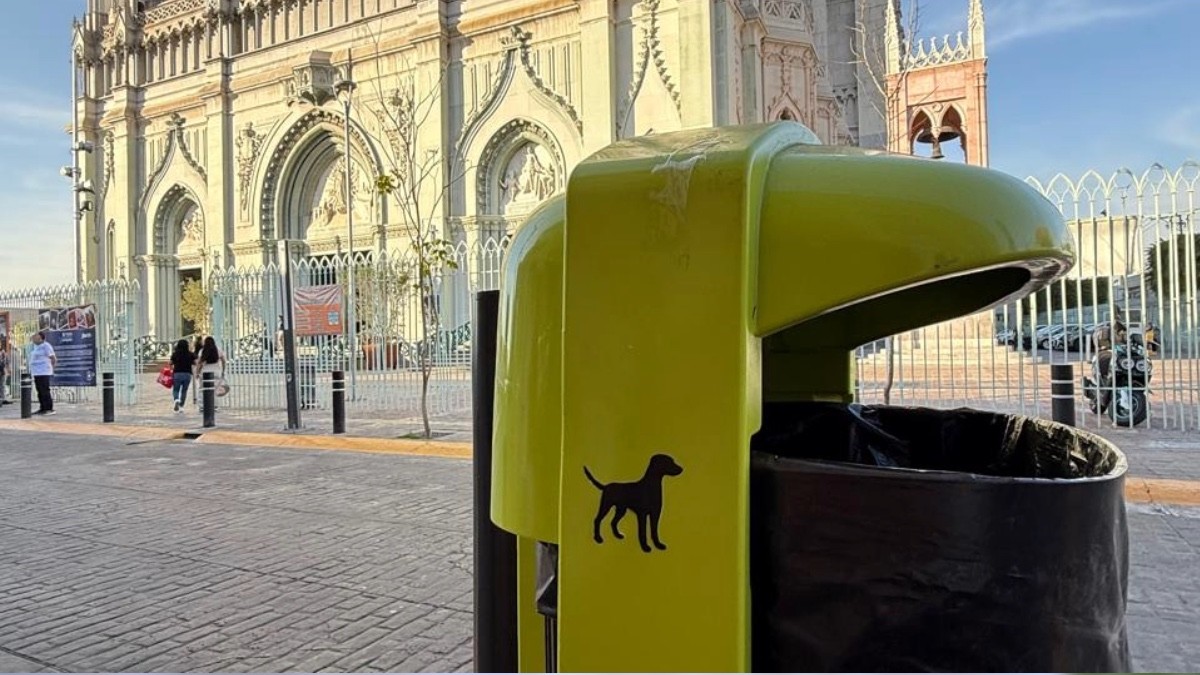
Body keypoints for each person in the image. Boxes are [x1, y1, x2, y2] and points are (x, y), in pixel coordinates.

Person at [28, 331, 57, 415]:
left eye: (35, 336)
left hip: (44, 372)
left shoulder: (46, 346)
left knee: (45, 390)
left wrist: (51, 369)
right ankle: (42, 407)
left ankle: (49, 408)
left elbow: (53, 358)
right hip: (36, 373)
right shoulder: (35, 347)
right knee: (39, 391)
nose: (33, 338)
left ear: (40, 338)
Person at [196, 336, 226, 412]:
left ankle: (202, 406)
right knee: (214, 390)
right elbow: (223, 360)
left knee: (202, 389)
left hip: (205, 372)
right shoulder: (218, 350)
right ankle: (215, 406)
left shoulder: (202, 351)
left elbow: (199, 363)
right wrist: (223, 370)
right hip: (216, 371)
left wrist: (197, 372)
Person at [169, 339, 195, 413]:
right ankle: (181, 406)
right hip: (187, 374)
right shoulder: (190, 354)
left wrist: (171, 368)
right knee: (184, 390)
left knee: (176, 389)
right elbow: (196, 362)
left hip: (177, 373)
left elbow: (170, 363)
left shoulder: (175, 354)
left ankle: (176, 399)